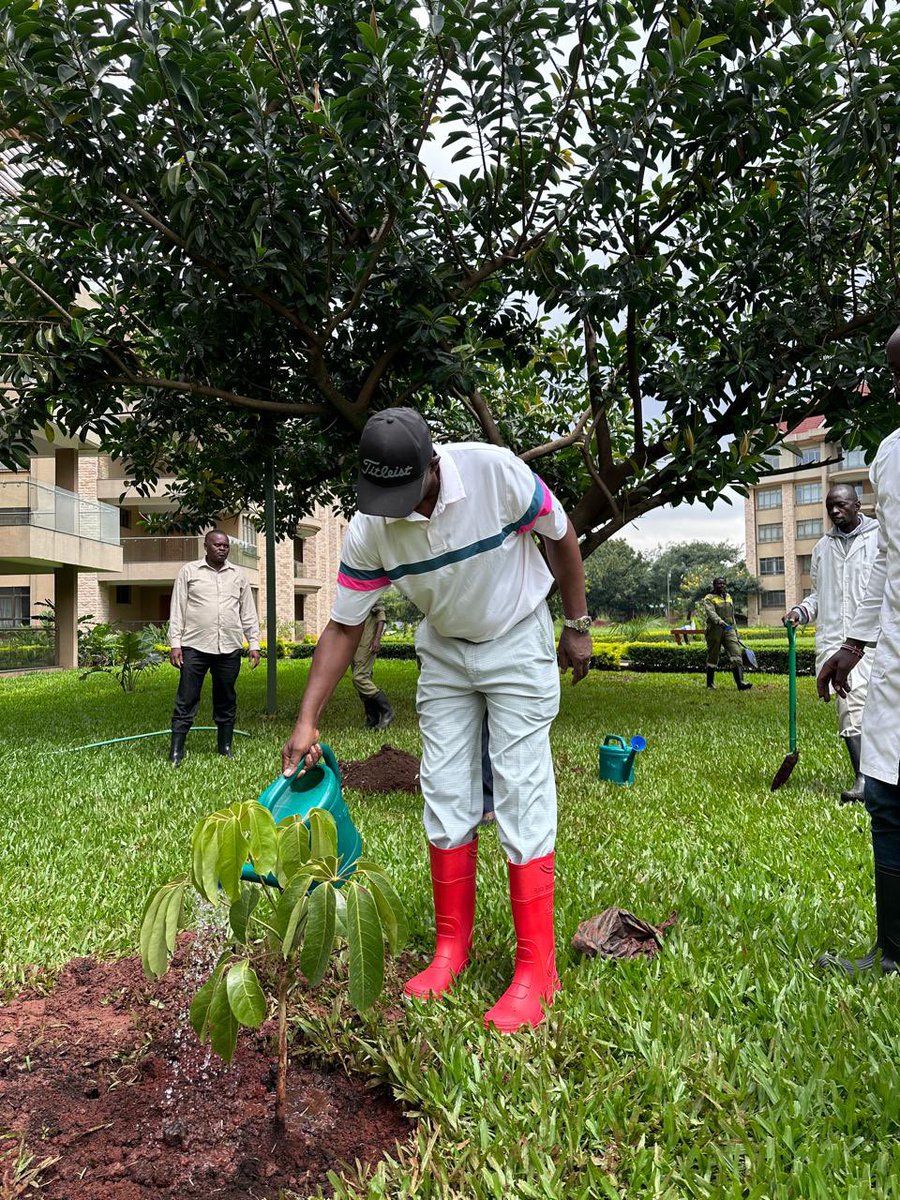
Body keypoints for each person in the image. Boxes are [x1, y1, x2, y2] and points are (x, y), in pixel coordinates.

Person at [281, 407, 592, 1033]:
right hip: (444, 650)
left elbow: (559, 535)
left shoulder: (494, 472)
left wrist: (578, 624)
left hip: (515, 638)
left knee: (520, 789)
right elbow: (344, 624)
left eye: (405, 493)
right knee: (446, 792)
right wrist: (307, 717)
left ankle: (538, 968)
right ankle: (452, 948)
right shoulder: (372, 524)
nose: (395, 510)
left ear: (433, 465)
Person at [817, 324, 900, 974]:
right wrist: (854, 643)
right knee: (887, 798)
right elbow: (885, 567)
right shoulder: (889, 457)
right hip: (887, 653)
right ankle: (893, 953)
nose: (895, 387)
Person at [783, 484, 879, 803]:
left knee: (881, 709)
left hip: (875, 639)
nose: (834, 512)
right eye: (830, 507)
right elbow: (818, 594)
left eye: (840, 505)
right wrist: (801, 611)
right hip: (836, 643)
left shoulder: (880, 539)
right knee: (849, 705)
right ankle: (864, 780)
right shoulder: (822, 548)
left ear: (857, 504)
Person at [168, 529, 260, 765]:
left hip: (229, 647)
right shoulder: (189, 572)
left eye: (225, 546)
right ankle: (177, 750)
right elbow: (177, 608)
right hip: (194, 646)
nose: (222, 548)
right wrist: (175, 644)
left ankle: (225, 746)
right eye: (217, 545)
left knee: (226, 697)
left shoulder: (238, 575)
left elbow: (248, 612)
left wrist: (254, 644)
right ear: (206, 546)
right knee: (186, 698)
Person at [700, 577, 752, 690]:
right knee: (713, 656)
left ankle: (740, 683)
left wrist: (735, 631)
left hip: (729, 629)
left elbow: (732, 616)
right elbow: (711, 613)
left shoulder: (728, 597)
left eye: (723, 583)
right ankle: (710, 684)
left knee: (736, 654)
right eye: (719, 583)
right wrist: (720, 622)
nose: (721, 585)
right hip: (714, 630)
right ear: (714, 585)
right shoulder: (709, 598)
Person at [350, 603, 394, 730]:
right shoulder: (354, 594)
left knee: (359, 678)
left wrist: (377, 639)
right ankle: (372, 718)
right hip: (354, 645)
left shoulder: (370, 590)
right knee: (362, 683)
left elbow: (381, 616)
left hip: (367, 644)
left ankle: (387, 711)